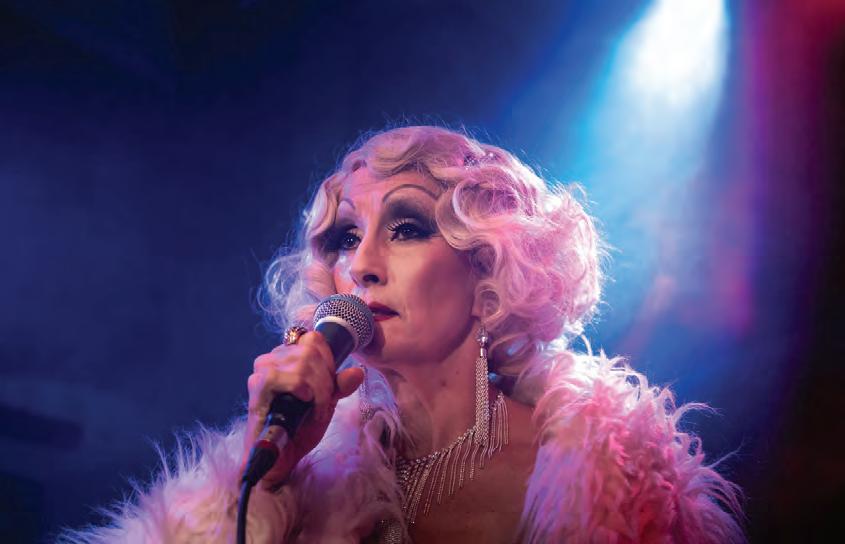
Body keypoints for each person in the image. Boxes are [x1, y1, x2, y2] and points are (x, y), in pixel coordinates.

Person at [60, 126, 745, 543]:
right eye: (344, 237)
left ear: (488, 268)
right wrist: (267, 480)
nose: (360, 263)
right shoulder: (294, 473)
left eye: (407, 228)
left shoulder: (619, 476)